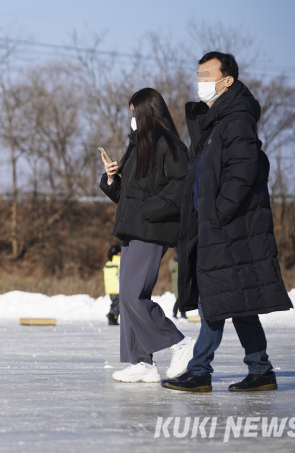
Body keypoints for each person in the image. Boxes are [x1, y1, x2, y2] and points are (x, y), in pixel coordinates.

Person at [161, 52, 292, 393]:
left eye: (207, 74)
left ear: (227, 80)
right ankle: (261, 369)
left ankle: (200, 370)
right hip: (216, 225)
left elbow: (243, 171)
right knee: (236, 300)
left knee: (214, 299)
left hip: (228, 227)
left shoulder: (235, 119)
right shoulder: (216, 120)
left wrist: (217, 214)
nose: (200, 79)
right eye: (199, 73)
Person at [99, 87, 195, 383]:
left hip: (151, 230)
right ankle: (140, 362)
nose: (131, 120)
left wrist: (150, 210)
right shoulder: (137, 148)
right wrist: (112, 179)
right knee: (127, 297)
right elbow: (128, 198)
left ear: (147, 113)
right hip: (133, 229)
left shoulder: (171, 146)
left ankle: (180, 343)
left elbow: (181, 186)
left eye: (134, 114)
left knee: (131, 294)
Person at [104, 245, 121, 326]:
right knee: (118, 304)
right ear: (118, 253)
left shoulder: (108, 263)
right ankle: (112, 316)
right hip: (117, 288)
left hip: (110, 289)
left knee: (115, 303)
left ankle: (112, 317)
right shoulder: (120, 262)